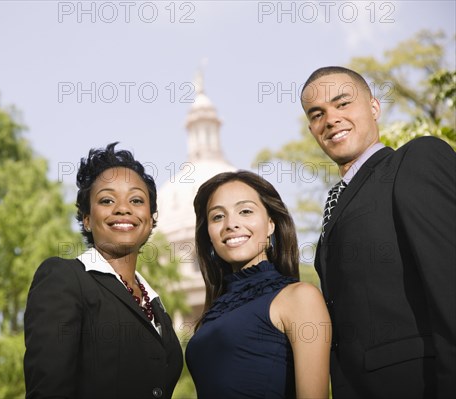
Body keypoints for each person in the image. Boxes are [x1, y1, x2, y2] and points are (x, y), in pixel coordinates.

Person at [300, 66, 456, 398]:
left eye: (342, 103)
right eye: (317, 114)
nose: (331, 119)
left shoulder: (416, 160)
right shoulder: (334, 206)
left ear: (374, 107)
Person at [23, 142, 183, 399]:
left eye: (136, 200)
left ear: (151, 217)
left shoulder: (157, 309)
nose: (123, 208)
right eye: (107, 199)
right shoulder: (64, 279)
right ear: (87, 219)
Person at [185, 170, 331, 398]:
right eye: (217, 217)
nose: (231, 224)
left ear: (271, 224)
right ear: (209, 235)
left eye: (245, 211)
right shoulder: (212, 314)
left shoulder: (299, 297)